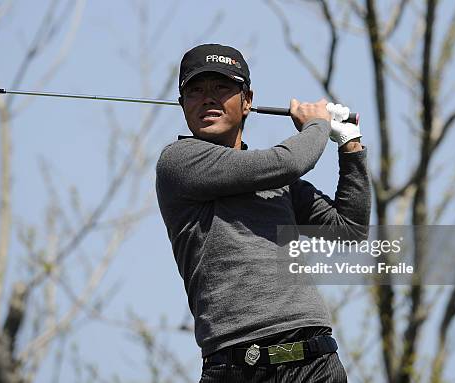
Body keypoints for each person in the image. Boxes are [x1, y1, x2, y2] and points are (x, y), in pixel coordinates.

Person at [155, 43, 371, 382]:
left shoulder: (277, 183)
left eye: (221, 87)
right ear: (183, 105)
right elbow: (291, 160)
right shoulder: (180, 161)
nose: (207, 98)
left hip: (313, 361)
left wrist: (350, 144)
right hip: (235, 366)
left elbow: (349, 229)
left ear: (247, 101)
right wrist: (317, 125)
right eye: (195, 90)